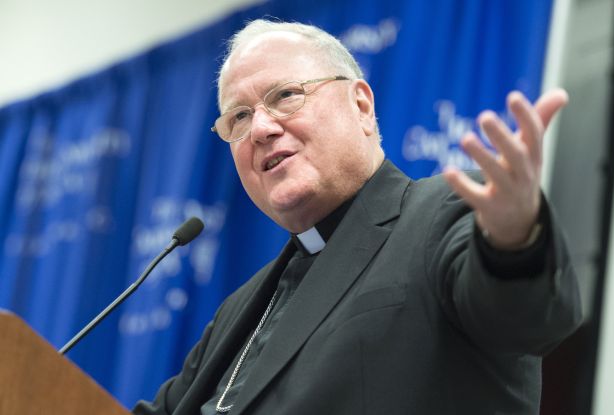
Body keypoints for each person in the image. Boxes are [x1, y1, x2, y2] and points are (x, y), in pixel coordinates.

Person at [133, 19, 582, 415]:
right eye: (240, 117)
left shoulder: (443, 214)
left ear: (362, 107)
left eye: (286, 96)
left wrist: (514, 242)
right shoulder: (236, 311)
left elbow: (524, 319)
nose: (262, 129)